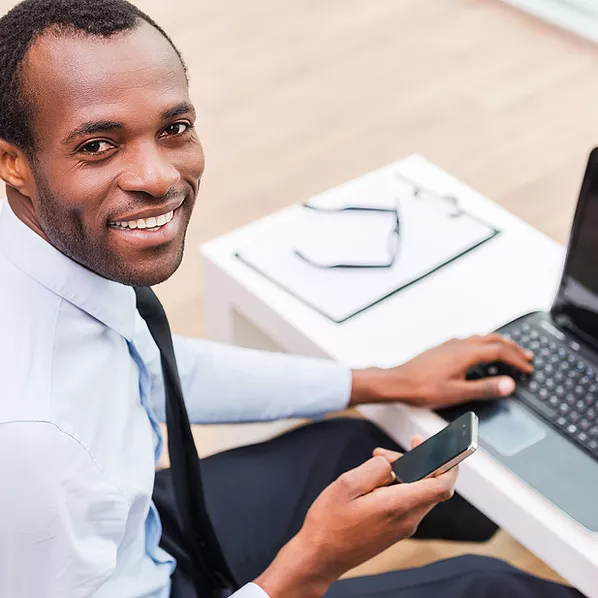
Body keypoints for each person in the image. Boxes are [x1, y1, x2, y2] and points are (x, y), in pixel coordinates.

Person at [0, 1, 583, 597]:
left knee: (362, 444)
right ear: (12, 161)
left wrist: (383, 381)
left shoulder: (45, 245)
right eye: (98, 145)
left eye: (173, 129)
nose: (158, 178)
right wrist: (307, 567)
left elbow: (148, 368)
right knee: (489, 590)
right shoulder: (34, 446)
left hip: (136, 528)